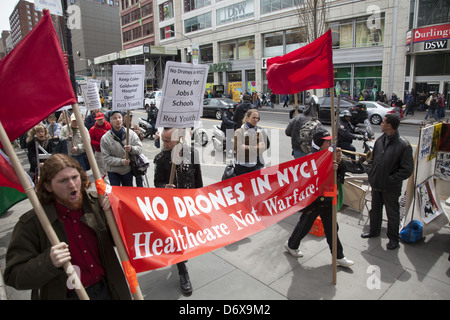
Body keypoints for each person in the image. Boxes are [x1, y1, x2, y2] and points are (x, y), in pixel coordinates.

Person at [4, 153, 131, 300]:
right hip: (67, 294)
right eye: (63, 180)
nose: (72, 185)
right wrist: (48, 262)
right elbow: (14, 275)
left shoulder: (97, 205)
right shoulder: (33, 223)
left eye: (74, 177)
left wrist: (116, 215)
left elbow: (123, 241)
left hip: (107, 289)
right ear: (48, 186)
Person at [284, 129, 354, 267]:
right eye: (327, 141)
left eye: (330, 141)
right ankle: (292, 245)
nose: (330, 143)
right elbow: (309, 179)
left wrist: (339, 164)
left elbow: (340, 176)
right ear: (320, 143)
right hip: (316, 199)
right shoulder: (312, 157)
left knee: (332, 228)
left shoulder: (332, 155)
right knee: (305, 225)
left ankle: (339, 256)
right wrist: (329, 168)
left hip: (328, 197)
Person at [153, 128, 203, 296]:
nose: (164, 144)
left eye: (167, 140)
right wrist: (163, 187)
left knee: (187, 236)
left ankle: (181, 256)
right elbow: (157, 182)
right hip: (172, 207)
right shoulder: (161, 159)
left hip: (189, 205)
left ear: (179, 139)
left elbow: (198, 179)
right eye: (163, 140)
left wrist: (200, 201)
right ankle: (183, 272)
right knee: (177, 240)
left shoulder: (192, 153)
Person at [361, 114, 414, 250]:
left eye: (383, 122)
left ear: (389, 126)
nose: (381, 124)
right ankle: (374, 231)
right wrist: (371, 172)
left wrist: (390, 179)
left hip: (391, 187)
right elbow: (373, 159)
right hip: (377, 183)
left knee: (392, 213)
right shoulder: (380, 140)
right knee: (375, 210)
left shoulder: (404, 145)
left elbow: (406, 170)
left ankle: (393, 238)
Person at [100, 110, 143, 186]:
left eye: (119, 117)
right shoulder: (105, 138)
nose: (117, 120)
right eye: (115, 118)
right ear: (110, 121)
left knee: (127, 194)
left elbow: (139, 148)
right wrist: (121, 161)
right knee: (116, 194)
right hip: (113, 171)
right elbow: (106, 158)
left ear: (122, 120)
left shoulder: (131, 134)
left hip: (127, 171)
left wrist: (131, 149)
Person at [234, 109, 266, 176]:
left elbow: (262, 148)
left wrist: (247, 147)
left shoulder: (259, 132)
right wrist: (256, 147)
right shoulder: (239, 131)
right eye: (253, 118)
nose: (255, 120)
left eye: (257, 118)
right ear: (247, 117)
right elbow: (239, 150)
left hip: (253, 165)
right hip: (241, 165)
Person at [89, 112, 111, 179]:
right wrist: (101, 145)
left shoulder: (109, 126)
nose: (100, 121)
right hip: (99, 152)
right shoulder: (93, 129)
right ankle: (105, 187)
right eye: (98, 119)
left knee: (110, 170)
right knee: (102, 172)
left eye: (101, 119)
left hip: (110, 152)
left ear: (104, 119)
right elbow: (91, 141)